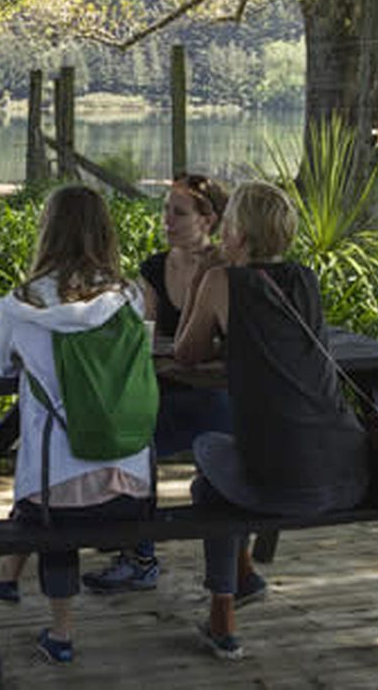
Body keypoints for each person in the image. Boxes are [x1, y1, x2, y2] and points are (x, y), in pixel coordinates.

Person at [173, 180, 369, 660]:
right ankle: (242, 578)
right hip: (348, 471)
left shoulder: (223, 282)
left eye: (227, 226)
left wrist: (200, 282)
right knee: (230, 466)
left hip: (285, 483)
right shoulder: (306, 279)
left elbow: (186, 353)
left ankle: (224, 615)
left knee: (208, 465)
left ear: (238, 234)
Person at [0, 184, 154, 665]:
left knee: (51, 505)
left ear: (47, 232)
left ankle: (61, 634)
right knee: (58, 495)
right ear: (104, 233)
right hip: (132, 489)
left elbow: (0, 363)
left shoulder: (23, 303)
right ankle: (6, 580)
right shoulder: (129, 298)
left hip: (55, 494)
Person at [84, 172, 232, 594]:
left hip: (217, 398)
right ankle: (137, 550)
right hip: (165, 391)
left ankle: (143, 555)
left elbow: (227, 348)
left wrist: (182, 358)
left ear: (208, 220)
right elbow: (146, 338)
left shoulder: (225, 271)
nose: (166, 220)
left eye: (178, 213)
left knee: (140, 435)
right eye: (165, 210)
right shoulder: (154, 267)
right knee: (124, 429)